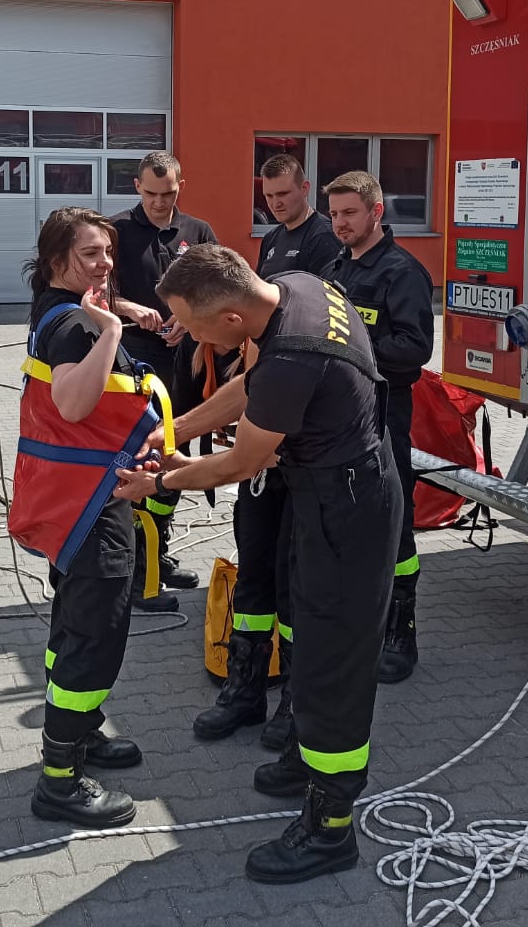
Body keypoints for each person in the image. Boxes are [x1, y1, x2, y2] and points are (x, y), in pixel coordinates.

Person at [113, 244, 400, 885]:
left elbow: (245, 461)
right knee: (308, 635)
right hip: (333, 492)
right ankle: (306, 759)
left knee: (331, 666)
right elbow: (250, 387)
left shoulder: (293, 357)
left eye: (197, 328)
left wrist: (159, 482)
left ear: (232, 318)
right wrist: (174, 433)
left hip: (347, 509)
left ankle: (330, 828)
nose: (194, 340)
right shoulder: (295, 289)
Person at [8, 207, 165, 827]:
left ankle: (80, 730)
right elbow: (73, 404)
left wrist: (115, 312)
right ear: (57, 261)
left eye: (108, 251)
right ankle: (60, 778)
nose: (105, 262)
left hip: (75, 498)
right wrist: (113, 333)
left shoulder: (58, 309)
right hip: (92, 505)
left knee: (73, 624)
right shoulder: (77, 327)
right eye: (90, 253)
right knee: (95, 636)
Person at [192, 153, 338, 745]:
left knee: (292, 577)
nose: (276, 205)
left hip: (299, 443)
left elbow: (301, 339)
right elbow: (257, 333)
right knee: (253, 563)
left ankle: (295, 701)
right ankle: (246, 688)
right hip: (263, 419)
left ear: (305, 188)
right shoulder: (273, 241)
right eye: (269, 197)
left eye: (284, 194)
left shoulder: (324, 243)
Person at [322, 171, 436, 685]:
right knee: (343, 521)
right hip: (335, 417)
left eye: (349, 213)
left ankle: (400, 629)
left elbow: (415, 348)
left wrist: (353, 350)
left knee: (392, 521)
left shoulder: (402, 273)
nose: (340, 223)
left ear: (376, 212)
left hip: (384, 415)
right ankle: (356, 623)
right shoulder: (335, 267)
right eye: (334, 214)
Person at [111, 150, 217, 610]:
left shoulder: (198, 232)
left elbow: (218, 287)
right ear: (137, 186)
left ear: (181, 187)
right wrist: (128, 307)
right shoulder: (114, 231)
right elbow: (94, 293)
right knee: (139, 460)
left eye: (168, 193)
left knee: (173, 460)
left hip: (184, 364)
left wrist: (190, 320)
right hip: (132, 367)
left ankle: (159, 551)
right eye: (151, 193)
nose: (159, 202)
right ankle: (136, 569)